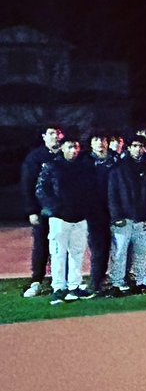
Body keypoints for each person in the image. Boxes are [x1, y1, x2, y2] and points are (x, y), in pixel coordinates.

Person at [36, 140, 99, 304]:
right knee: (58, 254)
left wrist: (86, 208)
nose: (73, 150)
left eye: (76, 147)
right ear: (63, 148)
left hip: (79, 217)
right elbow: (41, 189)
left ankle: (74, 286)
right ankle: (58, 288)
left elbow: (90, 190)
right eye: (70, 147)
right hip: (59, 218)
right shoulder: (52, 166)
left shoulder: (84, 167)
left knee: (77, 253)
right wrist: (56, 208)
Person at [107, 135, 146, 292]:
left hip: (142, 219)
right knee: (120, 252)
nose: (138, 149)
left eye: (141, 146)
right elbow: (112, 194)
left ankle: (139, 278)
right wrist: (116, 217)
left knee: (141, 253)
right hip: (124, 219)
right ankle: (117, 282)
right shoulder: (118, 168)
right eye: (134, 145)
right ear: (129, 147)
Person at [20, 126, 63, 298]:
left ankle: (61, 281)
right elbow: (27, 184)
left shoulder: (65, 154)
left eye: (58, 133)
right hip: (43, 210)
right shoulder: (35, 157)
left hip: (63, 211)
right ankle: (36, 280)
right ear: (44, 136)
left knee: (63, 247)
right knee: (41, 246)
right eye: (51, 133)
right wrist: (31, 210)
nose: (55, 137)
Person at [85, 131, 116, 294]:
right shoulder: (85, 161)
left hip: (114, 210)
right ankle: (96, 281)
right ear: (91, 143)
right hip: (94, 213)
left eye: (103, 140)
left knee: (116, 248)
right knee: (98, 249)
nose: (100, 143)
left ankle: (115, 279)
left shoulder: (115, 160)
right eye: (96, 140)